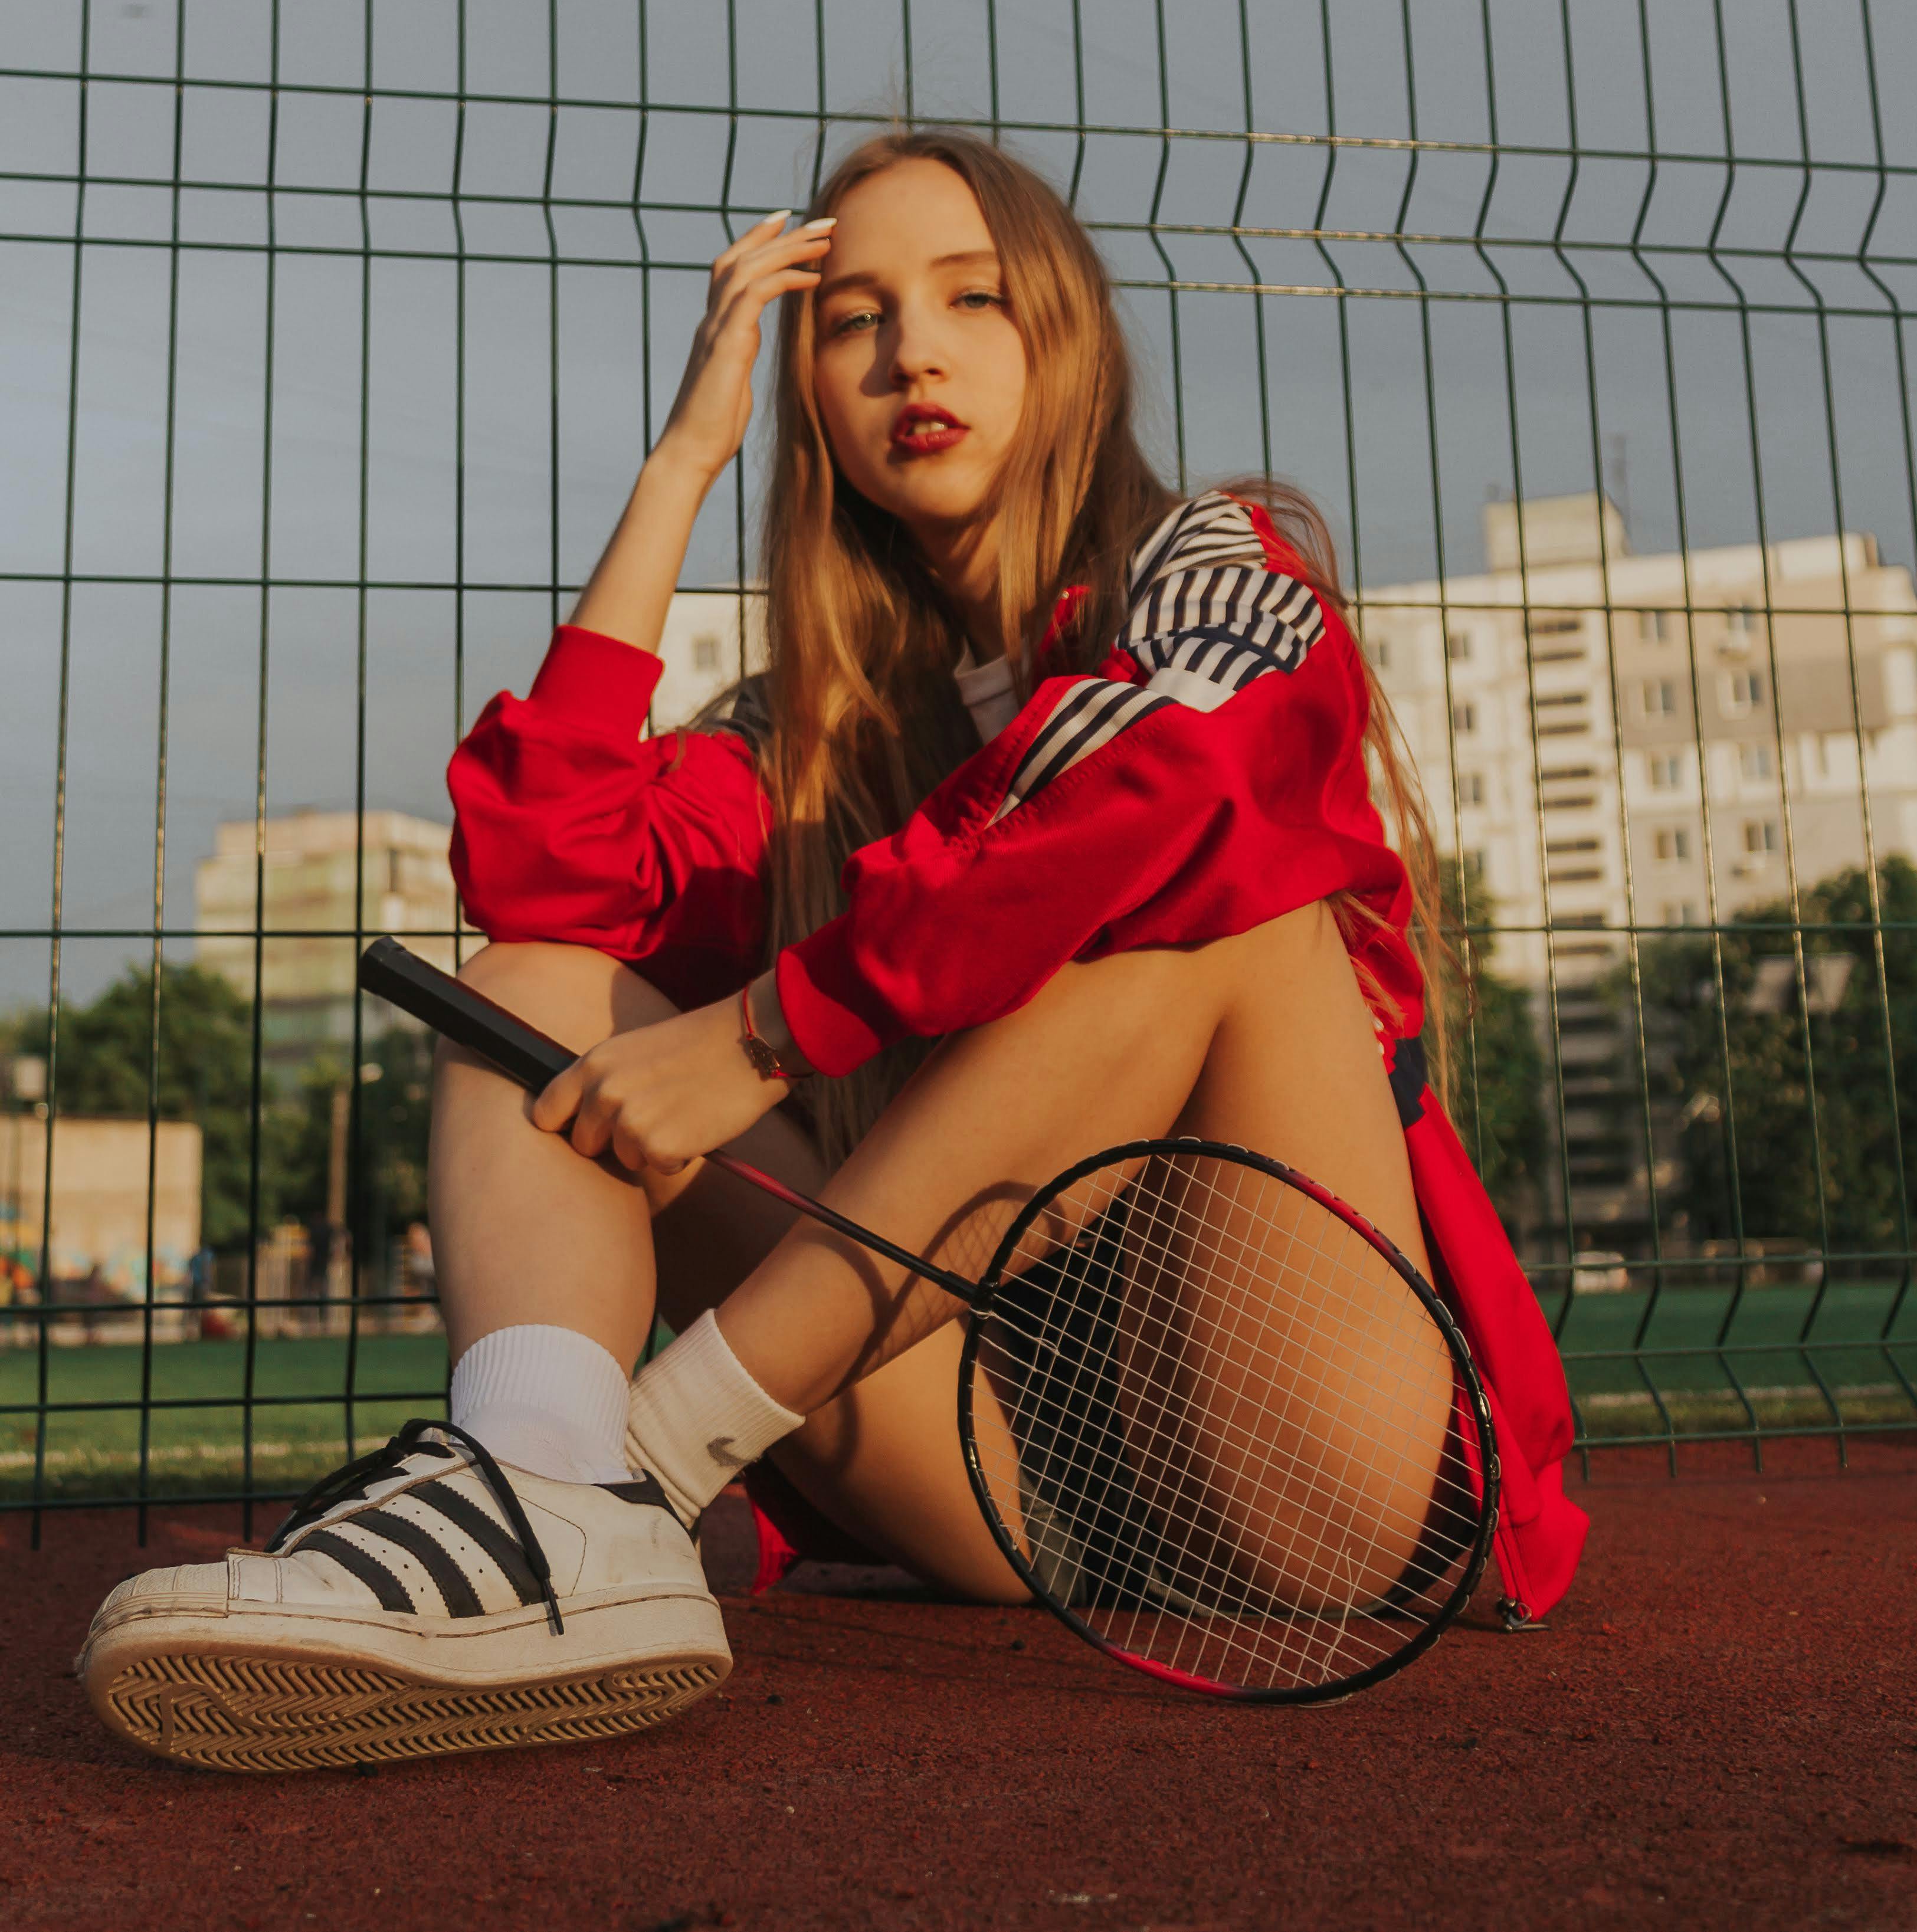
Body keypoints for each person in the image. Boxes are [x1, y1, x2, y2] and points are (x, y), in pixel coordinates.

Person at [78, 132, 1587, 1773]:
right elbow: (547, 878)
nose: (909, 352)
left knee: (1205, 901)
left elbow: (1182, 782)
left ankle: (622, 1481)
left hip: (1290, 1451)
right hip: (1000, 1473)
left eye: (969, 298)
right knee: (530, 991)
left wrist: (763, 1034)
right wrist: (682, 459)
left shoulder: (1218, 576)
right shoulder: (815, 731)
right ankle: (543, 1480)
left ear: (1065, 334)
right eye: (850, 318)